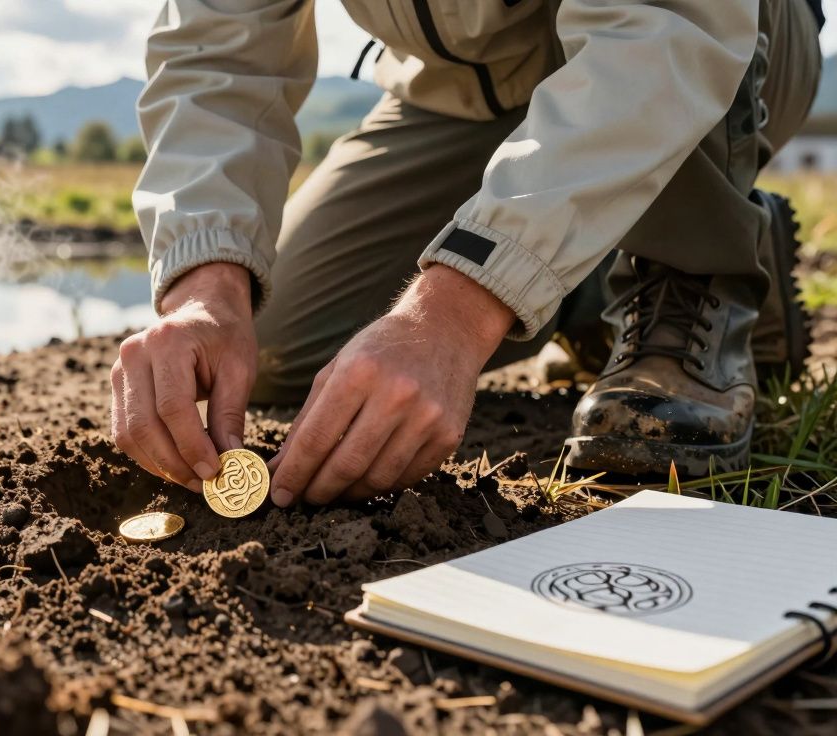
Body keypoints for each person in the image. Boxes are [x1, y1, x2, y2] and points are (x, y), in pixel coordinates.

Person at [111, 0, 825, 507]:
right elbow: (214, 52)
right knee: (277, 343)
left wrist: (454, 314)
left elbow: (664, 29)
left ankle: (696, 264)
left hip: (697, 35)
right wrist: (208, 285)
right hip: (459, 95)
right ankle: (594, 277)